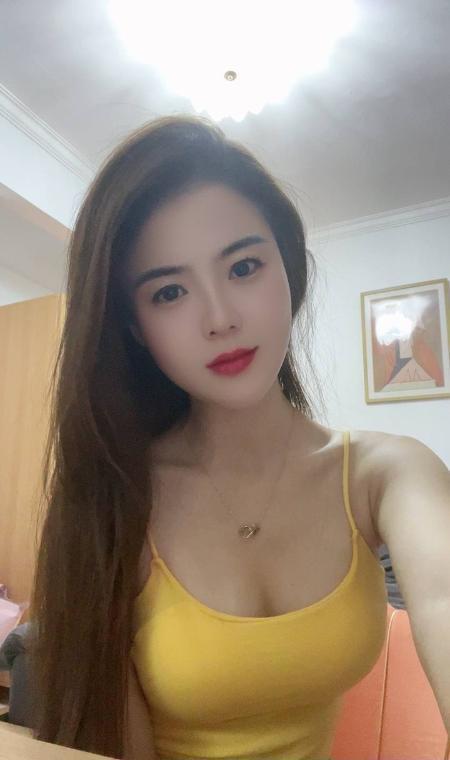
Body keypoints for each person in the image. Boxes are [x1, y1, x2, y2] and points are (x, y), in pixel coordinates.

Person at [28, 114, 450, 760]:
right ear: (135, 327)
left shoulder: (386, 474)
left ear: (290, 269)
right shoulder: (115, 497)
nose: (220, 318)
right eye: (170, 291)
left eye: (244, 266)